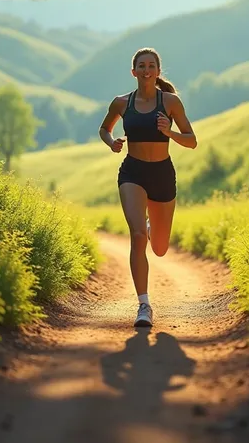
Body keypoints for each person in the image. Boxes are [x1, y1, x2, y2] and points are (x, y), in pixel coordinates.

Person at [99, 48, 197, 328]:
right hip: (133, 171)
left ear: (157, 71)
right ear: (133, 72)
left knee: (161, 247)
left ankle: (153, 229)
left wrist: (169, 132)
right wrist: (112, 142)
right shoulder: (121, 103)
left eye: (151, 65)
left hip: (162, 174)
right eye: (141, 66)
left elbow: (192, 141)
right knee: (138, 235)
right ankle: (144, 305)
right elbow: (104, 129)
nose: (146, 70)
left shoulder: (170, 102)